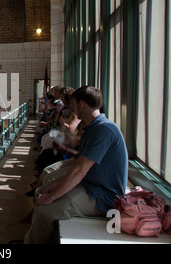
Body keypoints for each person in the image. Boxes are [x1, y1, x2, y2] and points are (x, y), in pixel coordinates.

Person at [24, 86, 128, 244]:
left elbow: (79, 170)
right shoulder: (93, 128)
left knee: (44, 210)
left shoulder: (104, 131)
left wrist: (52, 196)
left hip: (101, 196)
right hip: (90, 185)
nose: (72, 108)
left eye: (73, 104)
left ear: (83, 104)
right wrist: (52, 188)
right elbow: (79, 165)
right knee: (41, 192)